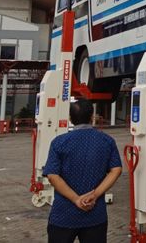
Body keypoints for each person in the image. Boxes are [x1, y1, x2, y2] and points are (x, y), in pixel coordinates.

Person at [43, 99, 122, 242]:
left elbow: (52, 176)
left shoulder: (59, 142)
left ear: (70, 118)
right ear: (92, 117)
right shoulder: (106, 141)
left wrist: (76, 199)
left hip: (63, 215)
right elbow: (116, 169)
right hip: (95, 214)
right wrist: (95, 194)